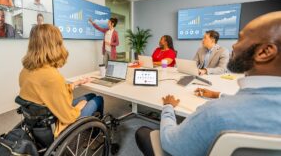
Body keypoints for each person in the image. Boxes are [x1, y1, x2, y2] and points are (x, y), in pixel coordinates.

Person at [135, 11, 281, 156]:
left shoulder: (215, 112)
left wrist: (167, 107)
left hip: (209, 82)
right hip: (203, 82)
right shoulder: (201, 50)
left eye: (240, 39)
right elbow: (192, 63)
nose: (234, 46)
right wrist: (218, 95)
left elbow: (171, 143)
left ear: (265, 52)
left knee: (142, 132)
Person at [19, 24, 104, 138]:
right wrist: (79, 106)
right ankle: (97, 132)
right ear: (54, 45)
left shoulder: (25, 71)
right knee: (98, 99)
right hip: (59, 122)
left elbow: (48, 92)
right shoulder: (52, 77)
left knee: (90, 95)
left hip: (42, 118)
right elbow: (68, 117)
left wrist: (73, 84)